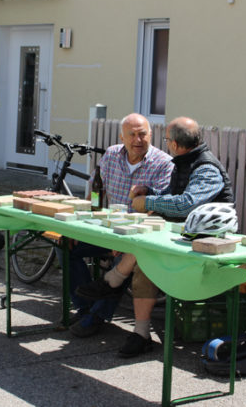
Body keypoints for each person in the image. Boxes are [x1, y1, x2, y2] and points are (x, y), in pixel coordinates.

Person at [76, 117, 234, 357]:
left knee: (145, 255)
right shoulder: (184, 162)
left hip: (210, 241)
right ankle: (134, 322)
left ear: (176, 144)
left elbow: (186, 204)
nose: (165, 143)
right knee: (143, 252)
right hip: (185, 235)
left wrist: (147, 200)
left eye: (167, 139)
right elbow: (172, 195)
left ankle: (117, 288)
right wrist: (150, 192)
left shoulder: (206, 168)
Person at [67, 113, 174, 337]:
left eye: (142, 134)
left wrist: (125, 239)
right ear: (122, 137)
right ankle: (85, 306)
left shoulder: (164, 164)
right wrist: (79, 226)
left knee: (125, 260)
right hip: (106, 230)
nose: (138, 140)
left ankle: (96, 317)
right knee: (66, 244)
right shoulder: (112, 154)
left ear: (151, 135)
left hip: (136, 236)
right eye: (132, 135)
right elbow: (95, 192)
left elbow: (158, 208)